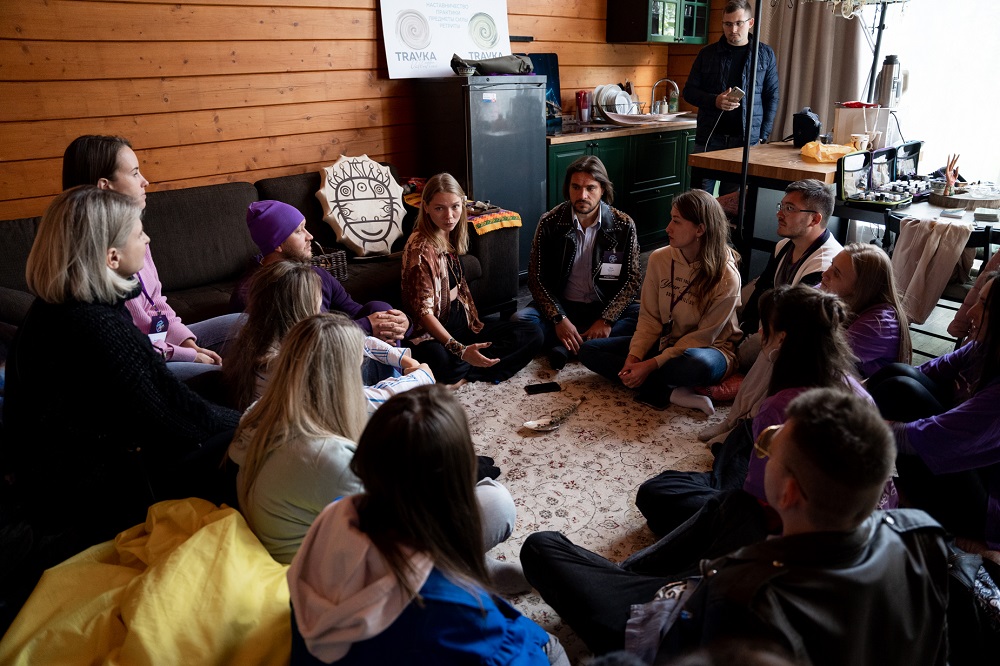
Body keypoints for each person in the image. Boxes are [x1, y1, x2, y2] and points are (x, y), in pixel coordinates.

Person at [519, 388, 949, 665]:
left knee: (542, 546)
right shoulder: (921, 534)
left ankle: (624, 578)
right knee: (736, 506)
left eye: (770, 448)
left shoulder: (746, 594)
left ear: (790, 492)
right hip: (702, 593)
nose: (763, 451)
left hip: (664, 630)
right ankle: (630, 574)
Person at [3, 186, 240, 568]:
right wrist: (253, 422)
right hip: (90, 498)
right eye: (139, 233)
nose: (147, 240)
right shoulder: (96, 326)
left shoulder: (56, 309)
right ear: (111, 256)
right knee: (245, 444)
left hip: (61, 480)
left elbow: (160, 399)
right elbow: (174, 417)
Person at [287, 385, 569, 665]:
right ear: (459, 479)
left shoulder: (335, 514)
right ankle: (476, 571)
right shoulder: (453, 607)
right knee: (552, 649)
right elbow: (509, 654)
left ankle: (476, 570)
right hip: (441, 624)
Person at [635, 285, 891, 536]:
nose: (759, 331)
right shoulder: (855, 389)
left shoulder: (781, 407)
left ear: (782, 338)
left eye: (765, 326)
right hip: (859, 522)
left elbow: (758, 497)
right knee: (742, 436)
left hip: (789, 522)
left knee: (658, 492)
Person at [62, 135, 243, 381]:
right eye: (135, 173)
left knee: (246, 324)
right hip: (138, 360)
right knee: (218, 378)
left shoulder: (135, 234)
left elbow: (156, 302)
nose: (145, 181)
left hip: (162, 344)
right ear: (105, 186)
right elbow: (131, 344)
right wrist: (190, 356)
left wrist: (188, 343)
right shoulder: (94, 257)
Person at [868, 271, 1000, 550]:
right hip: (957, 456)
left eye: (984, 306)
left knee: (901, 392)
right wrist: (856, 393)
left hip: (984, 506)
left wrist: (858, 426)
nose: (971, 312)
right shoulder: (982, 349)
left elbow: (930, 437)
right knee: (898, 376)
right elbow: (924, 371)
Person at [579, 189, 741, 415]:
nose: (667, 228)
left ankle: (662, 381)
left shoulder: (727, 276)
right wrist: (634, 357)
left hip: (709, 350)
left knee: (694, 364)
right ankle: (672, 392)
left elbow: (704, 337)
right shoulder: (660, 258)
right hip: (665, 342)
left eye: (676, 221)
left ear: (700, 229)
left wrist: (649, 365)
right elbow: (649, 318)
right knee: (589, 350)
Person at [224, 261, 433, 413]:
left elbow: (359, 340)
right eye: (318, 302)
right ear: (303, 310)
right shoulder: (300, 368)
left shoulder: (259, 343)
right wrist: (421, 375)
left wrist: (404, 359)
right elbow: (368, 401)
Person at [401, 173, 543, 385]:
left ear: (463, 204)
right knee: (440, 360)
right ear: (426, 207)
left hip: (465, 327)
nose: (449, 216)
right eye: (439, 208)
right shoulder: (420, 249)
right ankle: (468, 367)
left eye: (455, 206)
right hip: (433, 335)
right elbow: (423, 314)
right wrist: (460, 350)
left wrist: (465, 347)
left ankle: (466, 373)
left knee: (532, 333)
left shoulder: (448, 232)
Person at [512, 155, 641, 370]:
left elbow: (632, 280)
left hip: (603, 306)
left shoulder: (623, 225)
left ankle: (565, 347)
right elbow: (535, 278)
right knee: (521, 321)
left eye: (590, 188)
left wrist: (607, 319)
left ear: (602, 189)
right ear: (568, 188)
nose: (582, 195)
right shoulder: (550, 222)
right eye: (576, 187)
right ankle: (589, 345)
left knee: (646, 319)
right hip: (562, 305)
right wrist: (558, 318)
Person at [231, 199, 411, 347]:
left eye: (305, 227)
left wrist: (402, 323)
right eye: (298, 231)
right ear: (277, 244)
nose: (310, 236)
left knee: (379, 308)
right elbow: (300, 342)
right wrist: (368, 326)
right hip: (304, 363)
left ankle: (398, 372)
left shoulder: (317, 273)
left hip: (337, 346)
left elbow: (355, 311)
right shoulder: (251, 293)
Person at [738, 179, 842, 365]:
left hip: (796, 336)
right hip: (772, 320)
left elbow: (795, 319)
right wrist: (745, 327)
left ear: (815, 219)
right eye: (782, 206)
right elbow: (762, 289)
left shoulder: (825, 264)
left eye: (790, 209)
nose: (779, 214)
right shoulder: (784, 245)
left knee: (746, 351)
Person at [684, 1, 779, 195]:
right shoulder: (707, 54)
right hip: (709, 138)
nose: (733, 29)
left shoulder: (764, 54)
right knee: (699, 199)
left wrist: (762, 134)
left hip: (744, 140)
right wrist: (715, 101)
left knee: (731, 201)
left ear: (750, 22)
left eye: (738, 23)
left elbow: (772, 96)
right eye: (727, 24)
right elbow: (689, 92)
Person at [820, 242, 911, 377]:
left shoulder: (878, 324)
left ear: (860, 288)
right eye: (831, 264)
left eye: (837, 273)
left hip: (868, 389)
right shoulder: (836, 292)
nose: (825, 274)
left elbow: (822, 357)